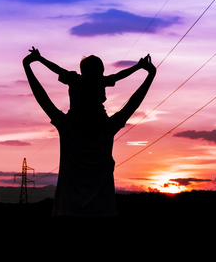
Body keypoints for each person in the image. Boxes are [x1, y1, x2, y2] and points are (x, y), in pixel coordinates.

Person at [22, 48, 156, 216]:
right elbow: (133, 102)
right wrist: (148, 73)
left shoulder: (67, 128)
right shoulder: (108, 128)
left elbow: (42, 97)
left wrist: (30, 65)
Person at [25, 47, 146, 124]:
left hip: (78, 119)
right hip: (95, 120)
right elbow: (119, 76)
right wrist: (138, 66)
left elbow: (57, 69)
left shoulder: (75, 79)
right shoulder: (98, 81)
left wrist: (40, 59)